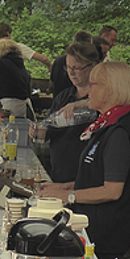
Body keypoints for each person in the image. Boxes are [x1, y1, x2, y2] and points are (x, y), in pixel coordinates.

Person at [41, 61, 130, 259]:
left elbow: (112, 190)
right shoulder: (106, 123)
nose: (87, 91)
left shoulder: (119, 131)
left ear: (110, 90)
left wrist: (67, 196)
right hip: (94, 227)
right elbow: (95, 175)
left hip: (105, 235)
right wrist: (60, 187)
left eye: (92, 85)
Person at [40, 39, 102, 183]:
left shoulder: (103, 98)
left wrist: (82, 104)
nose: (72, 73)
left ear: (93, 66)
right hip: (60, 172)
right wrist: (41, 131)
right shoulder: (63, 96)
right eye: (68, 68)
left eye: (77, 68)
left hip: (87, 176)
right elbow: (50, 128)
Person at [50, 30, 93, 95]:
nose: (71, 72)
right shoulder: (87, 64)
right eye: (68, 67)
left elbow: (51, 84)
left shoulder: (58, 61)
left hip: (58, 100)